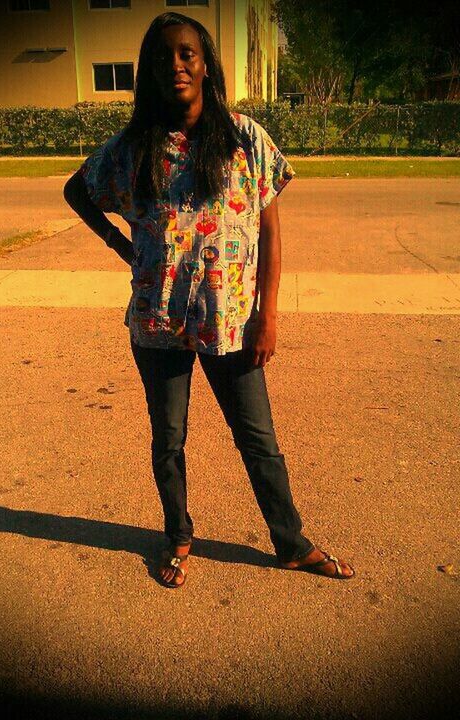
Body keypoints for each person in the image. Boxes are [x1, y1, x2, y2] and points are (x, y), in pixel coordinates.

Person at [63, 12, 355, 588]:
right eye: (164, 56)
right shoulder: (131, 147)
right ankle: (178, 534)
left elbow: (270, 232)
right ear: (149, 71)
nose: (176, 64)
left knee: (259, 441)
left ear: (205, 64)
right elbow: (77, 190)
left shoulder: (244, 137)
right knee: (168, 440)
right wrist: (123, 245)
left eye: (187, 54)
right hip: (158, 322)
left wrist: (268, 316)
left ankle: (291, 543)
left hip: (233, 323)